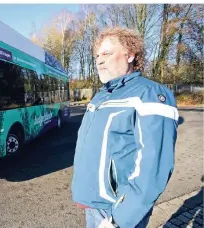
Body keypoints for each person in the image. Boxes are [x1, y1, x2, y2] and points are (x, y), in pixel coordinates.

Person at [71, 27, 179, 228]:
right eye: (97, 55)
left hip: (117, 209)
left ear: (130, 55)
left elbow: (154, 166)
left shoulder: (150, 94)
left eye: (107, 53)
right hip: (94, 204)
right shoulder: (101, 96)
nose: (99, 60)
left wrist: (120, 218)